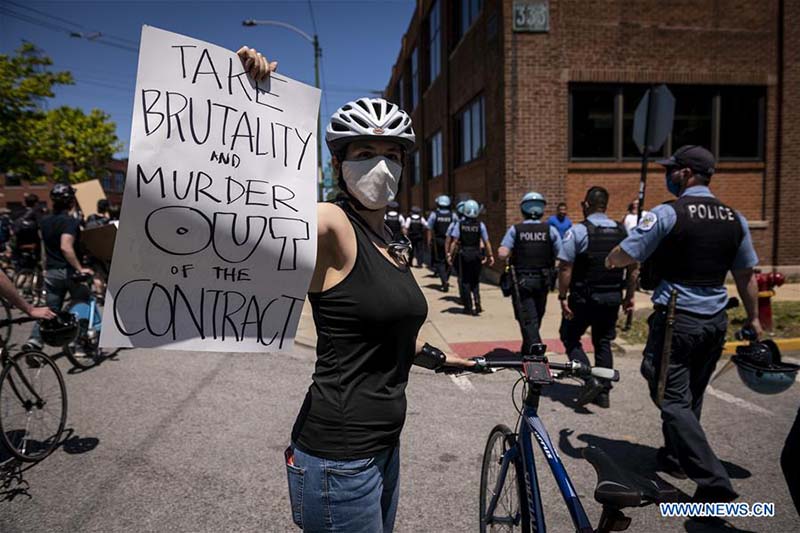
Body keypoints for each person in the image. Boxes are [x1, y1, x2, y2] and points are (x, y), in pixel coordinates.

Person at [235, 48, 474, 532]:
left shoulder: (392, 238)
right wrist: (249, 99)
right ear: (339, 162)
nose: (381, 166)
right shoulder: (330, 224)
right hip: (338, 459)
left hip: (383, 446)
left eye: (392, 155)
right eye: (365, 154)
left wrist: (433, 357)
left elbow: (381, 330)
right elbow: (246, 210)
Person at [605, 145, 761, 503]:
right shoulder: (734, 218)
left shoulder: (668, 213)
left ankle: (712, 480)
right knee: (691, 392)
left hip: (678, 318)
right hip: (715, 319)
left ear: (686, 173)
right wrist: (754, 318)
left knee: (667, 392)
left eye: (672, 169)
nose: (668, 175)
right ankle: (676, 457)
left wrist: (611, 261)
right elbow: (745, 273)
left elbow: (630, 251)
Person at [557, 187, 634, 408]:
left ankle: (589, 378)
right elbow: (634, 267)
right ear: (605, 205)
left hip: (584, 298)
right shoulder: (622, 232)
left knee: (570, 336)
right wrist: (629, 296)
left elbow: (565, 267)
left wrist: (562, 297)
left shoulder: (578, 231)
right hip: (611, 297)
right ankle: (604, 393)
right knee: (602, 342)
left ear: (586, 204)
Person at [22, 184, 93, 354]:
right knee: (82, 303)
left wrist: (43, 267)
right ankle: (80, 344)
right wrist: (80, 268)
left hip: (52, 272)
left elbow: (43, 247)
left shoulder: (44, 221)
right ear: (70, 201)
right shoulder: (70, 221)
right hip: (69, 271)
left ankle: (34, 341)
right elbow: (66, 247)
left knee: (50, 310)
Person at [498, 192, 562, 353]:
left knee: (527, 317)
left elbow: (502, 253)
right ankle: (528, 349)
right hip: (544, 280)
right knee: (537, 316)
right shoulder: (551, 230)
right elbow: (561, 255)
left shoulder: (516, 229)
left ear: (522, 209)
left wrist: (510, 251)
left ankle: (536, 351)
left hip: (522, 282)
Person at [448, 200, 494, 315]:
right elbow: (486, 242)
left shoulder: (460, 224)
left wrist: (449, 254)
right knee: (475, 280)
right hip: (476, 254)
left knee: (465, 281)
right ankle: (478, 302)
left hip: (464, 255)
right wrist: (490, 255)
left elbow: (454, 241)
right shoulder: (480, 225)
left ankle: (468, 307)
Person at [427, 195, 454, 292]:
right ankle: (446, 277)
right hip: (450, 242)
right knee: (449, 261)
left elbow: (429, 228)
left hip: (438, 241)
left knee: (440, 261)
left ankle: (444, 280)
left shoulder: (434, 214)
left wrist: (429, 241)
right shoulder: (453, 215)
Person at [10, 193, 43, 271]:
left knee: (19, 265)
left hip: (20, 244)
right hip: (33, 244)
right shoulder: (37, 213)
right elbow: (41, 227)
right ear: (36, 203)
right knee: (36, 264)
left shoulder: (17, 213)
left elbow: (12, 228)